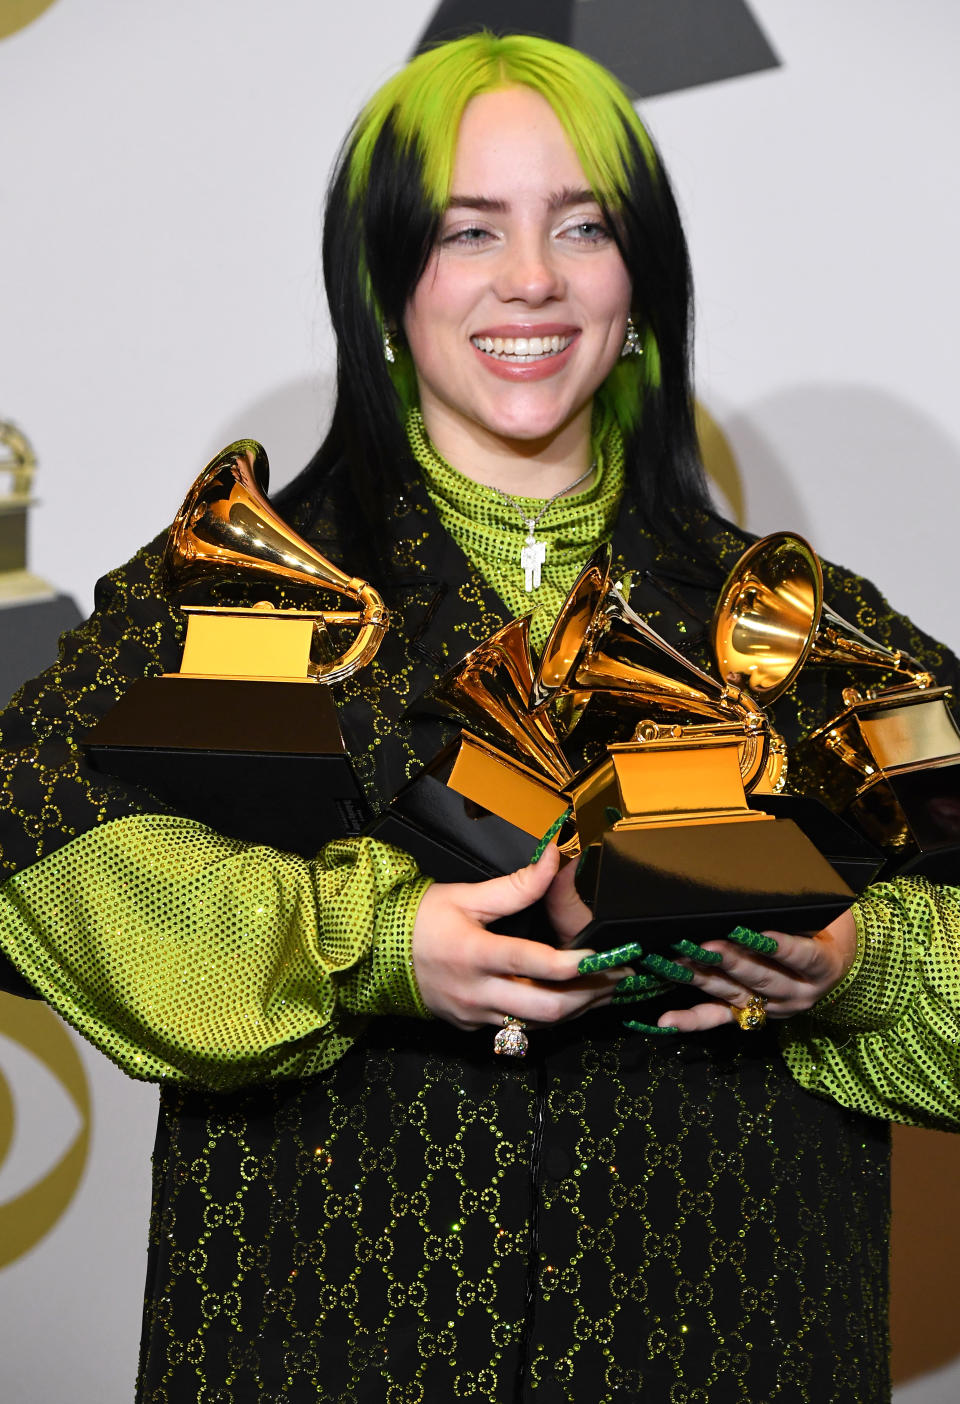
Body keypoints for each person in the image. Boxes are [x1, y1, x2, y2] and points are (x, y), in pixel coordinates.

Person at [0, 31, 958, 1404]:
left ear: (645, 287)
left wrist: (861, 958)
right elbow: (39, 841)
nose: (532, 278)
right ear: (387, 286)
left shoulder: (804, 632)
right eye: (468, 231)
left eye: (584, 226)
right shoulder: (251, 593)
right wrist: (375, 943)